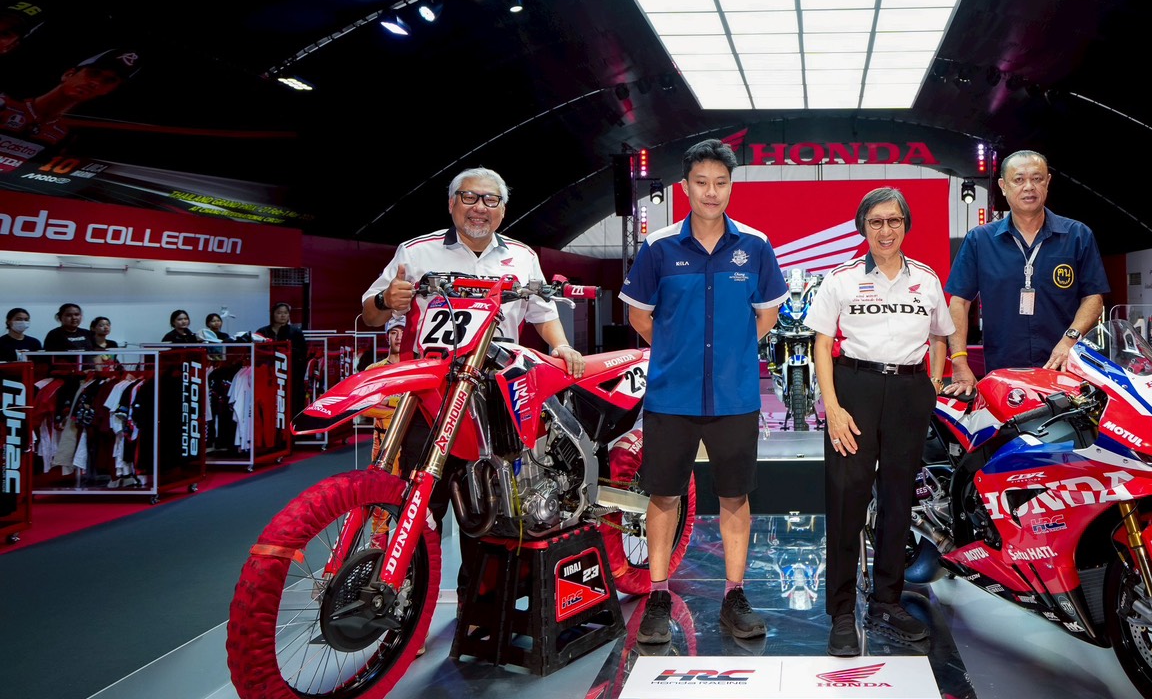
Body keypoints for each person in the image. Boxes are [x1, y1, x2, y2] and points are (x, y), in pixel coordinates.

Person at [359, 166, 587, 600]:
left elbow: (542, 313)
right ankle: (404, 607)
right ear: (451, 204)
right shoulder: (416, 251)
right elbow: (371, 314)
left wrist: (560, 346)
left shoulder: (522, 256)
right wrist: (387, 300)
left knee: (492, 507)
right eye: (469, 197)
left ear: (503, 209)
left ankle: (479, 610)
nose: (479, 207)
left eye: (490, 200)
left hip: (498, 399)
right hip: (429, 398)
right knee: (419, 500)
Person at [620, 138, 787, 646]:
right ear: (685, 186)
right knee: (664, 494)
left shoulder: (755, 245)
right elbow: (639, 315)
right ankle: (658, 595)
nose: (711, 192)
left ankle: (734, 595)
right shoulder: (659, 248)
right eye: (701, 182)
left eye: (720, 183)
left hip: (735, 396)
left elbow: (768, 313)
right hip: (671, 395)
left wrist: (732, 352)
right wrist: (678, 351)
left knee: (735, 495)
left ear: (731, 186)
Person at [805, 187, 954, 656]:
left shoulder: (926, 279)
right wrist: (832, 407)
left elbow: (940, 336)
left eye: (894, 221)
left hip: (909, 393)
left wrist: (932, 386)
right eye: (876, 222)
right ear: (862, 228)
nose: (885, 230)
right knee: (846, 500)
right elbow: (821, 345)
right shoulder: (841, 279)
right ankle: (841, 612)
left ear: (905, 225)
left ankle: (886, 602)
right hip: (855, 390)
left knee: (898, 501)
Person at [944, 150, 1110, 392]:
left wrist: (1069, 340)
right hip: (1003, 374)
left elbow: (1094, 298)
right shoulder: (980, 240)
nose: (1029, 187)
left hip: (1064, 369)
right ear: (1003, 186)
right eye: (1019, 179)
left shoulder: (1077, 235)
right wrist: (959, 361)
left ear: (1048, 182)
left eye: (1037, 178)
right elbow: (959, 302)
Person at [0, 47, 140, 146]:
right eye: (94, 73)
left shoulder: (63, 134)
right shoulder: (5, 104)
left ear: (108, 91)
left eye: (109, 81)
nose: (95, 83)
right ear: (68, 74)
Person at [253, 302, 310, 416]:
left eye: (285, 313)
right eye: (279, 313)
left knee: (291, 402)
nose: (283, 316)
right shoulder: (263, 332)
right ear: (273, 314)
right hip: (268, 374)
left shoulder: (296, 332)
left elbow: (303, 354)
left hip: (291, 375)